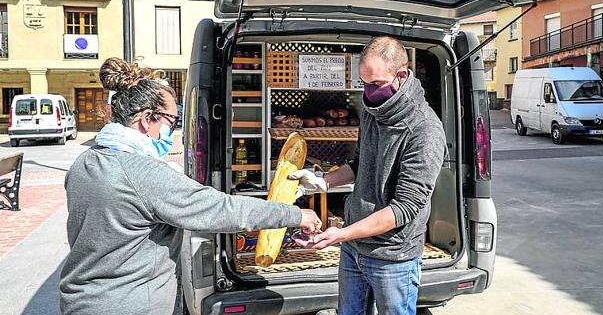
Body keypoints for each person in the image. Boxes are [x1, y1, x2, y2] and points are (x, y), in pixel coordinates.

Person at [60, 58, 321, 315]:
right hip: (129, 304)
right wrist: (295, 214)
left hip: (80, 301)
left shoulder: (85, 163)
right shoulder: (143, 174)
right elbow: (221, 210)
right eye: (171, 122)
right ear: (146, 118)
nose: (172, 131)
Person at [290, 36, 446, 315]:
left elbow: (404, 208)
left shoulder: (425, 131)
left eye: (376, 84)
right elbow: (361, 163)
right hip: (354, 248)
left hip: (391, 256)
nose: (369, 92)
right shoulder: (373, 112)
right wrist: (323, 181)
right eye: (363, 83)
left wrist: (340, 235)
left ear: (401, 75)